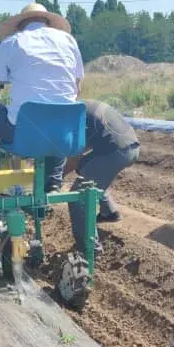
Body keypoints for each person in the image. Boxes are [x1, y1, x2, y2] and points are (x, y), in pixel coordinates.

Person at [0, 3, 84, 189]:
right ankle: (53, 179)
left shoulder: (12, 43)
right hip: (64, 135)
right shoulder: (69, 41)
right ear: (47, 21)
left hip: (24, 134)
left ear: (21, 24)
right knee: (59, 109)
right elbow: (77, 88)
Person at [64, 100, 140, 254]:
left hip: (114, 152)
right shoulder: (86, 107)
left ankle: (89, 248)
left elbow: (74, 157)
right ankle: (109, 212)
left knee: (78, 197)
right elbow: (87, 146)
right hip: (132, 146)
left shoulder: (74, 116)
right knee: (87, 169)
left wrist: (54, 178)